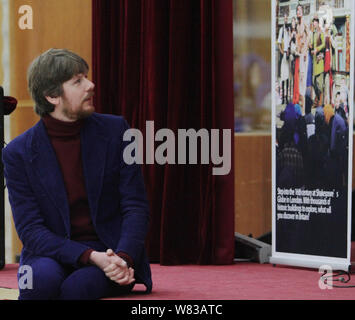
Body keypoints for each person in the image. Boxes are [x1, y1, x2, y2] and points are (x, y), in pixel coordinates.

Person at [2, 48, 152, 300]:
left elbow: (135, 206)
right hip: (50, 252)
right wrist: (89, 257)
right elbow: (30, 230)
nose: (91, 85)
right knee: (38, 283)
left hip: (111, 252)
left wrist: (123, 258)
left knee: (77, 290)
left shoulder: (117, 131)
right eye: (78, 81)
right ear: (52, 96)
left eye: (87, 77)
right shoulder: (18, 152)